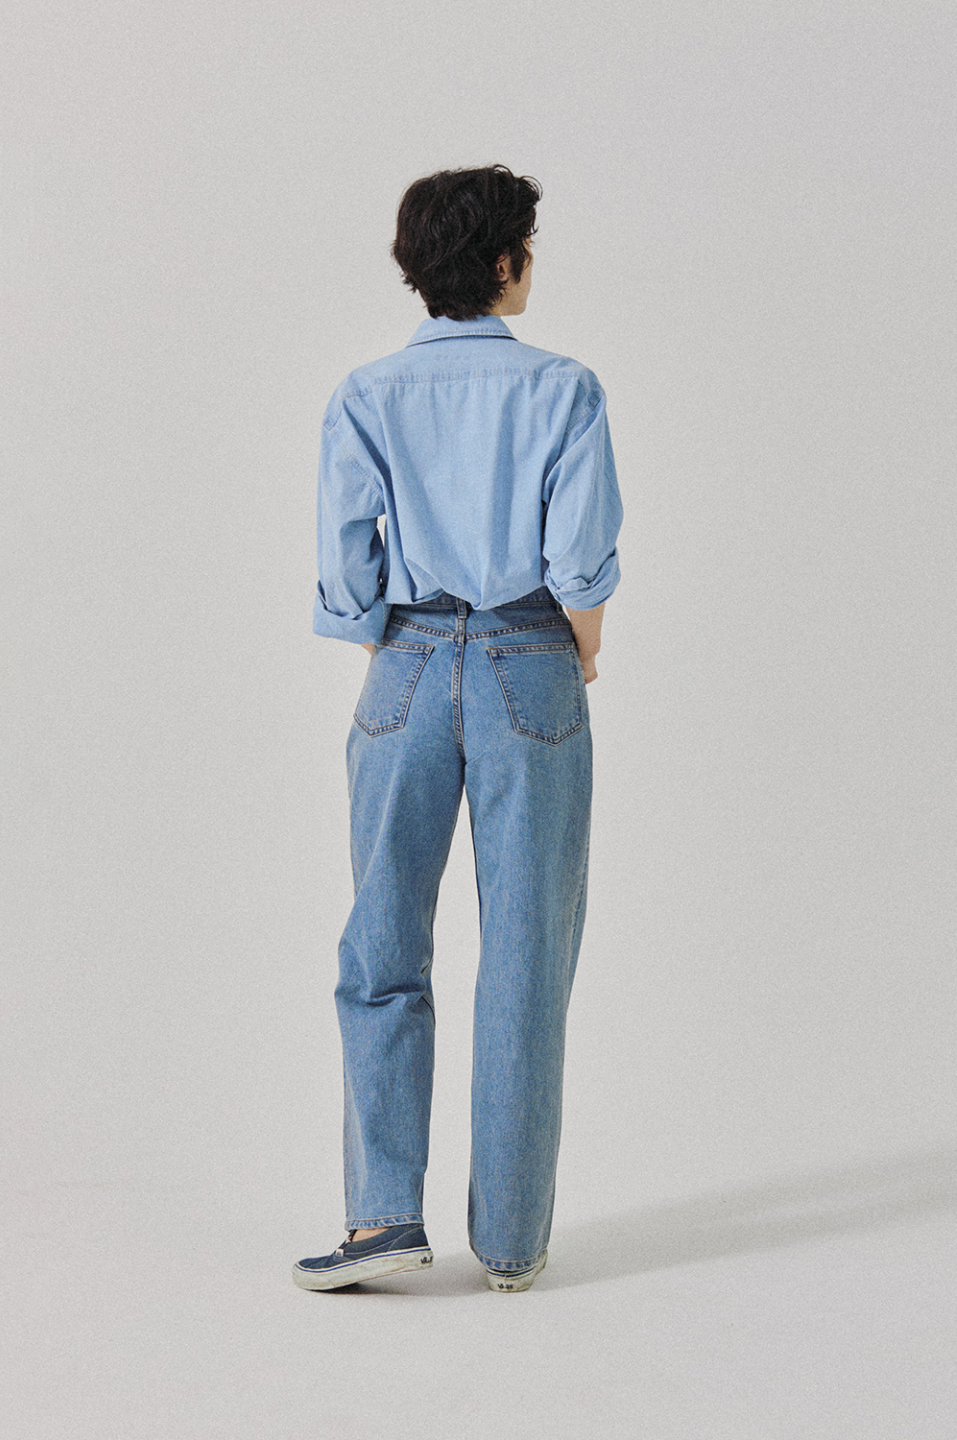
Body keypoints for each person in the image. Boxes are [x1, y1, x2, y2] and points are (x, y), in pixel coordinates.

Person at [294, 164, 623, 1293]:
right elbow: (582, 558)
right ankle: (514, 1242)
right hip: (531, 657)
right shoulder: (565, 388)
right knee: (527, 953)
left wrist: (401, 646)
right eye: (527, 248)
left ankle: (382, 1219)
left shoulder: (366, 394)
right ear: (503, 262)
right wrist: (578, 648)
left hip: (408, 660)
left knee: (382, 944)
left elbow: (348, 570)